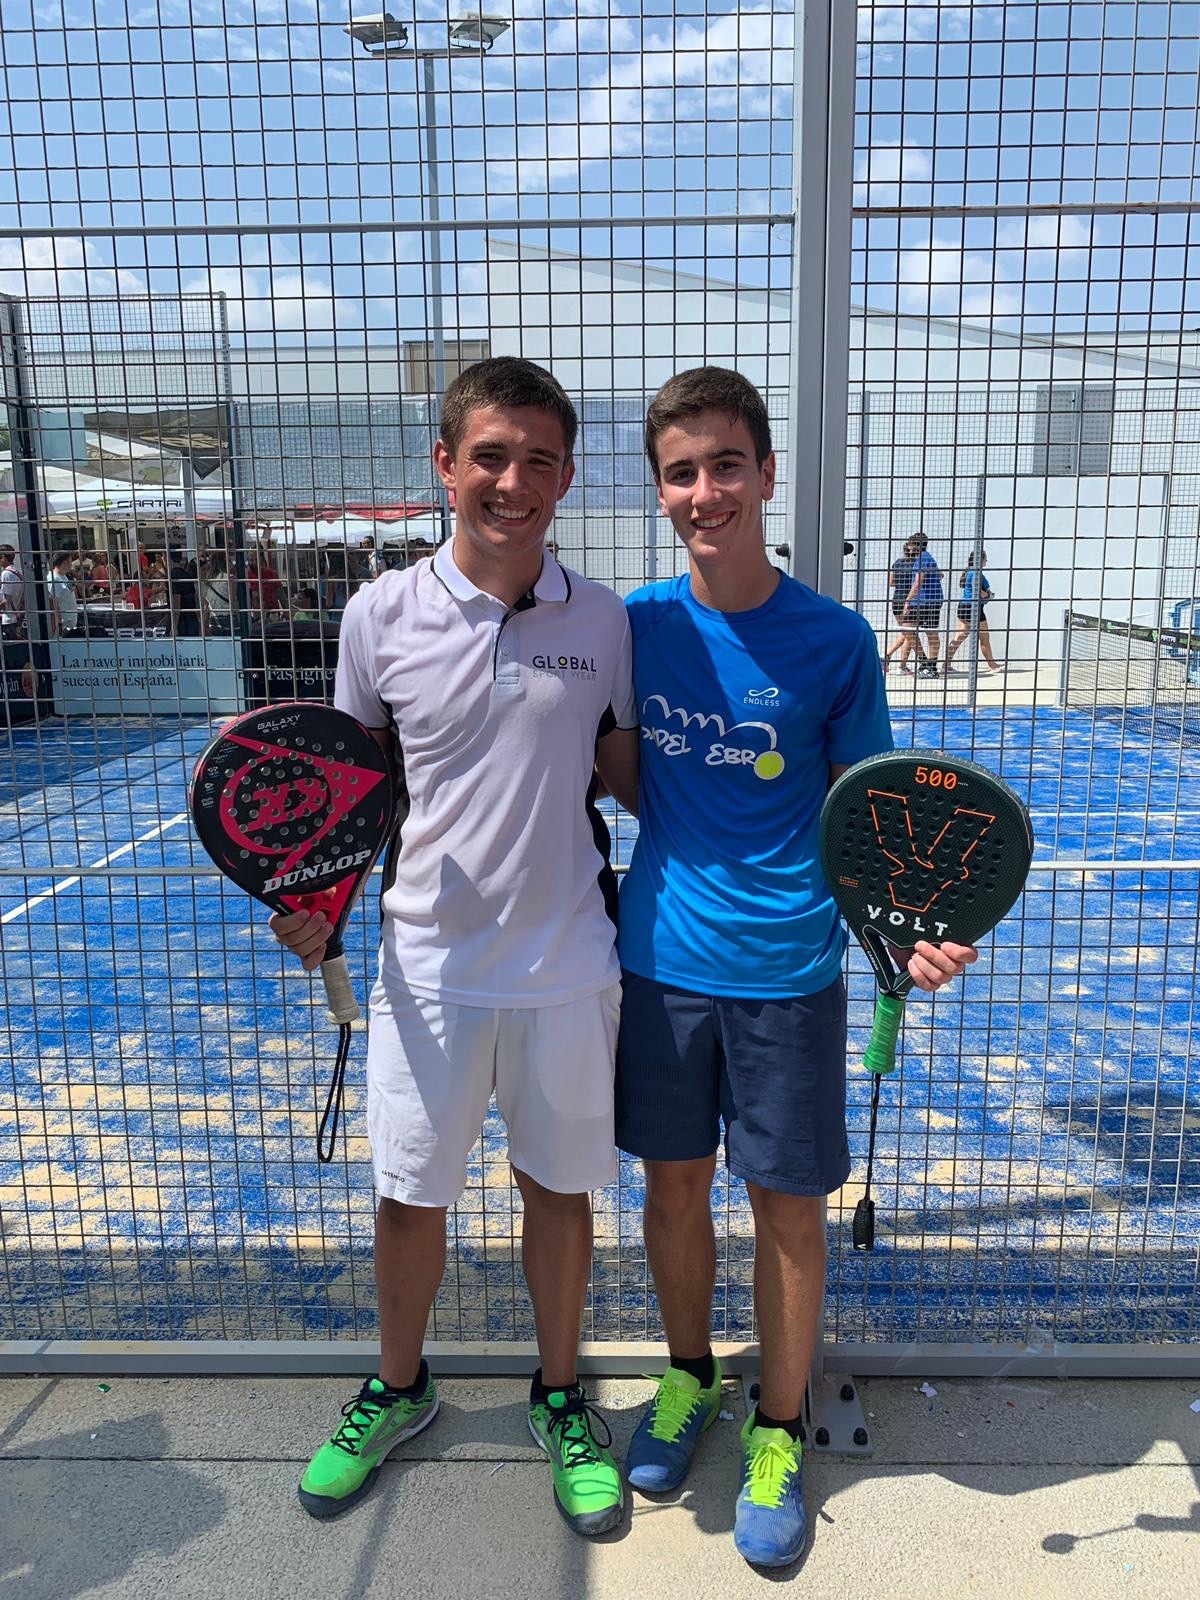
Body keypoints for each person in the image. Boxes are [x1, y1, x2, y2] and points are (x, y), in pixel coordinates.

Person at [268, 357, 640, 1535]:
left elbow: (627, 772)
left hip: (568, 964)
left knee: (559, 1192)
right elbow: (349, 794)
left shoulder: (605, 619)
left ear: (566, 478)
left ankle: (561, 1396)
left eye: (538, 460)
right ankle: (399, 1387)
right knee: (407, 1196)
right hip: (425, 966)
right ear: (444, 463)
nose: (512, 481)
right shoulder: (378, 615)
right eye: (490, 455)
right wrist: (314, 904)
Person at [616, 367, 976, 1568]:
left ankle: (776, 1428)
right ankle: (687, 1378)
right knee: (673, 1192)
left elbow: (867, 814)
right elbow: (612, 763)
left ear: (767, 475)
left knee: (787, 1209)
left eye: (726, 464)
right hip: (661, 961)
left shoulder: (836, 639)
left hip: (789, 973)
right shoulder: (637, 626)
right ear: (661, 490)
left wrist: (907, 928)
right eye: (682, 472)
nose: (705, 491)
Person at [945, 550, 1001, 673]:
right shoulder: (975, 573)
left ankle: (946, 665)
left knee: (960, 636)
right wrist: (989, 595)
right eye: (985, 559)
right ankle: (992, 665)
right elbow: (978, 592)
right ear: (980, 560)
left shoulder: (970, 572)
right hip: (973, 608)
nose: (987, 561)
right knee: (984, 637)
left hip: (964, 606)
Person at [882, 535, 927, 675]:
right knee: (909, 633)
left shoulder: (896, 563)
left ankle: (897, 663)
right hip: (909, 601)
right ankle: (894, 660)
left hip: (896, 600)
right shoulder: (917, 565)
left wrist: (901, 583)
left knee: (907, 633)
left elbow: (891, 583)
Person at [900, 531, 944, 676]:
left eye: (910, 544)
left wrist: (907, 601)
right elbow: (940, 574)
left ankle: (932, 667)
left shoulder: (923, 558)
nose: (908, 547)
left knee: (931, 632)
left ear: (916, 545)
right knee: (907, 629)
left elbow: (919, 581)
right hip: (921, 601)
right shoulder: (923, 558)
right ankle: (925, 662)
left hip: (929, 601)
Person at [47, 550, 82, 637]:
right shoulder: (54, 579)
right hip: (61, 627)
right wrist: (58, 624)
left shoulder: (64, 576)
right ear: (65, 563)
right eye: (70, 561)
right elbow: (53, 602)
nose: (71, 564)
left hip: (69, 625)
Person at [201, 550, 232, 634]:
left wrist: (203, 627)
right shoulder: (229, 578)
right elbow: (234, 601)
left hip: (214, 619)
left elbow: (207, 607)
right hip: (229, 617)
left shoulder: (207, 581)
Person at [0, 545, 24, 637]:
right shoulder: (17, 571)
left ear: (3, 557)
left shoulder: (6, 574)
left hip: (8, 620)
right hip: (17, 618)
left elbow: (6, 602)